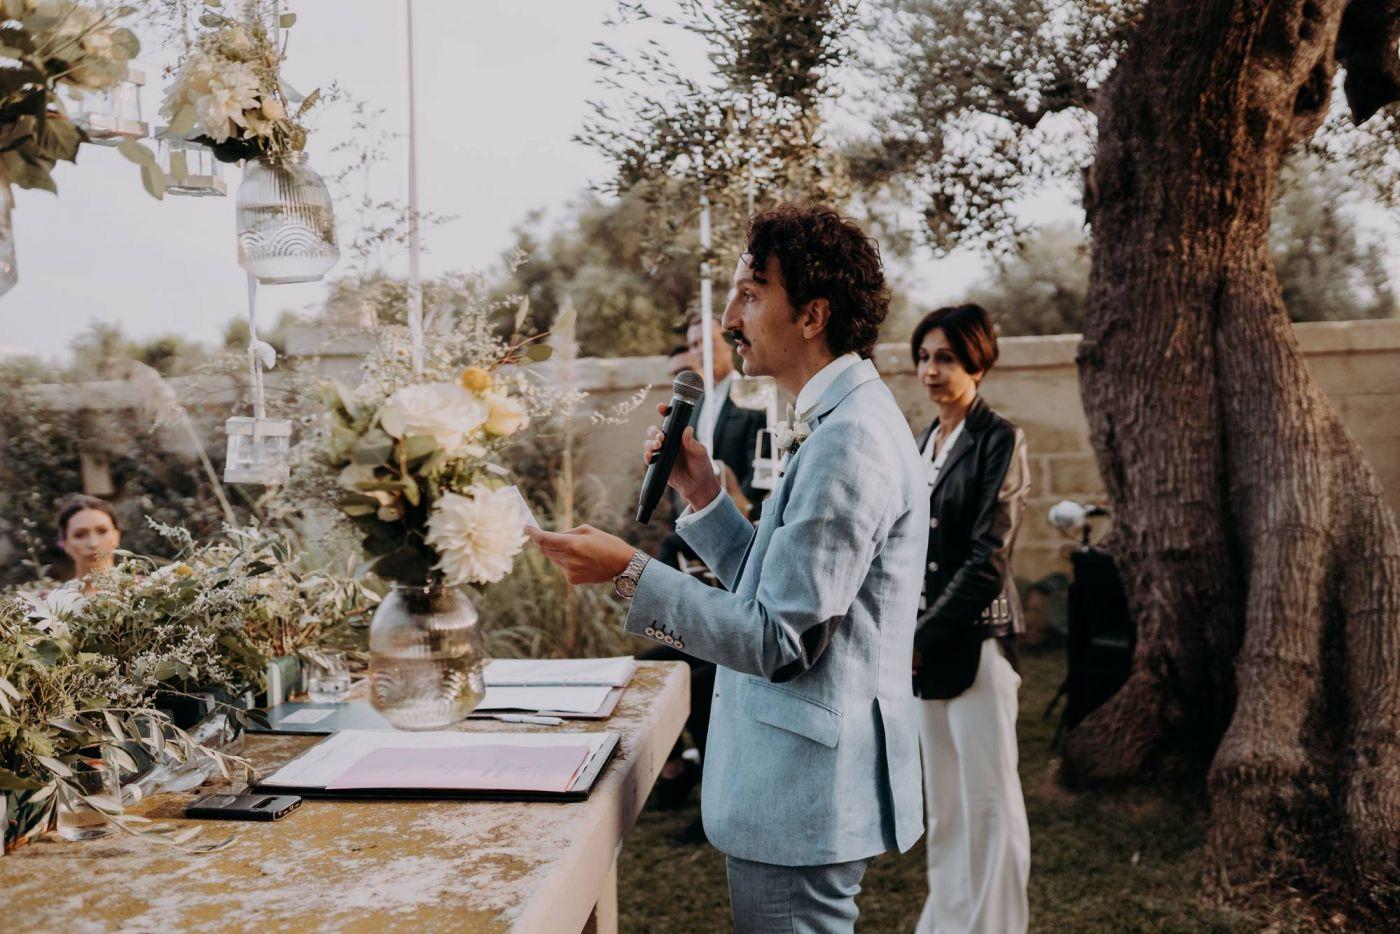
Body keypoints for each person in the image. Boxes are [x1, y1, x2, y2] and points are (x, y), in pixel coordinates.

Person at [529, 204, 927, 933]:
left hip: (804, 793)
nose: (729, 320)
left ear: (811, 314)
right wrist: (706, 496)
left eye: (749, 294)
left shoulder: (850, 440)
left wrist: (630, 572)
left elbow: (778, 640)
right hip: (803, 787)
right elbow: (786, 592)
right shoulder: (844, 419)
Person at [909, 304, 1031, 934]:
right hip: (922, 649)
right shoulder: (920, 441)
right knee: (946, 805)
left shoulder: (999, 439)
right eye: (924, 357)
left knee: (990, 802)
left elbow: (989, 560)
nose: (931, 370)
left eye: (947, 358)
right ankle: (948, 924)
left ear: (977, 364)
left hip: (978, 641)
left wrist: (920, 638)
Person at [56, 495, 122, 594]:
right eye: (79, 535)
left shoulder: (144, 590)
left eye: (102, 531)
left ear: (116, 536)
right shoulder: (50, 600)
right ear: (65, 543)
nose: (93, 543)